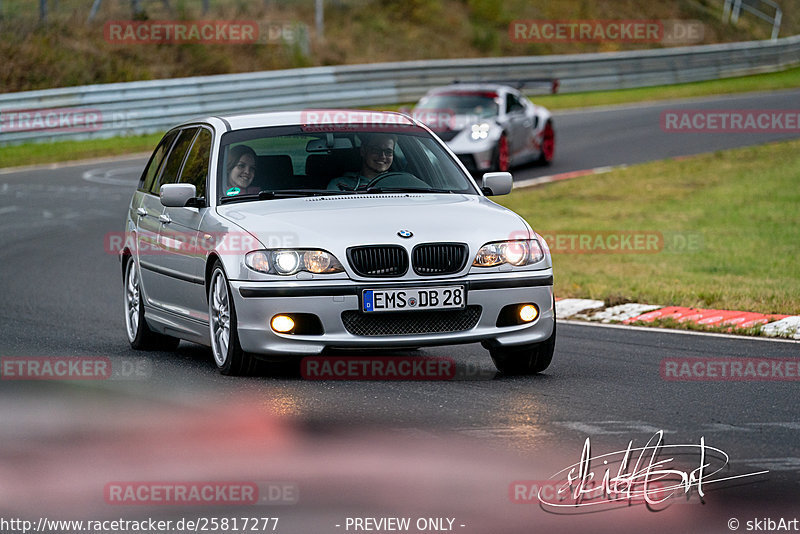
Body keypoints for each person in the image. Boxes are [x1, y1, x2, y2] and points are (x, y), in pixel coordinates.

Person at [327, 133, 397, 191]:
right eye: (376, 150)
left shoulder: (401, 184)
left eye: (388, 152)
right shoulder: (340, 184)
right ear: (363, 151)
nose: (383, 156)